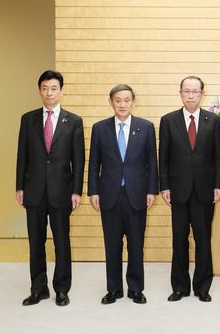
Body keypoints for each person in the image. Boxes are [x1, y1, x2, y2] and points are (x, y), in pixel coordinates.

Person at [16, 70, 85, 306]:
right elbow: (21, 155)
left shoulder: (74, 121)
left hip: (61, 192)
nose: (49, 92)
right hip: (33, 191)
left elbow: (79, 160)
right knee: (36, 241)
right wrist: (19, 186)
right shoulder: (28, 119)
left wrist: (76, 191)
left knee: (61, 241)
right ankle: (38, 288)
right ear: (39, 90)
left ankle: (62, 289)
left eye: (53, 88)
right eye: (45, 88)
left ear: (61, 91)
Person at [88, 84, 158, 305]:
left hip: (137, 194)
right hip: (109, 194)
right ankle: (114, 289)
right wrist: (93, 191)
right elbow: (94, 164)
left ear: (133, 102)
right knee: (112, 245)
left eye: (127, 100)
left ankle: (136, 288)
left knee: (136, 244)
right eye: (118, 100)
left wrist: (151, 191)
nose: (122, 104)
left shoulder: (146, 127)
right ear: (111, 102)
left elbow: (151, 162)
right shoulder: (99, 128)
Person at [159, 76, 220, 303]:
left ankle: (202, 287)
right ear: (180, 93)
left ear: (202, 94)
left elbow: (219, 157)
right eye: (186, 91)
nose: (190, 95)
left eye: (195, 91)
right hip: (177, 190)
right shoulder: (168, 121)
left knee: (203, 239)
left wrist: (219, 184)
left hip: (205, 190)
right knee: (179, 240)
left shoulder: (213, 120)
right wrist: (164, 186)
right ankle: (179, 287)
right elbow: (163, 158)